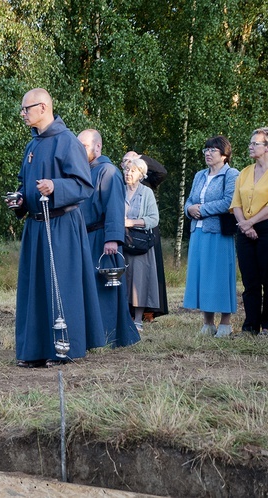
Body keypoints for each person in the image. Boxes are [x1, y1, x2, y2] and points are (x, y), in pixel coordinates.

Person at [9, 88, 105, 368]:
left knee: (61, 287)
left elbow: (83, 185)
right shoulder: (32, 145)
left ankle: (64, 349)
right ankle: (34, 351)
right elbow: (24, 183)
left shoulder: (67, 142)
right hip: (36, 227)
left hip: (61, 226)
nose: (23, 114)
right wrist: (19, 199)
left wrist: (55, 186)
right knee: (35, 288)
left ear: (43, 107)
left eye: (26, 109)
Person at [77, 129, 140, 347]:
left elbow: (114, 207)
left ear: (98, 146)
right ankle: (92, 334)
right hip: (83, 237)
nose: (80, 150)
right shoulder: (81, 171)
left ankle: (110, 335)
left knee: (104, 288)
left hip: (102, 238)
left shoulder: (108, 171)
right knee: (88, 287)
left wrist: (112, 239)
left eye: (84, 146)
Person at [230, 127, 268, 336]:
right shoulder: (245, 172)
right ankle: (250, 325)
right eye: (251, 142)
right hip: (245, 227)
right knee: (250, 280)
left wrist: (251, 223)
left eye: (255, 143)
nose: (250, 146)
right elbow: (235, 202)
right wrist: (245, 225)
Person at [183, 136, 240, 338]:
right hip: (197, 231)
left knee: (220, 276)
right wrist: (189, 209)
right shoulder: (199, 175)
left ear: (224, 155)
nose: (208, 153)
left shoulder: (231, 174)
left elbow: (228, 202)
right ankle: (208, 323)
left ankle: (225, 323)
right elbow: (189, 199)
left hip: (218, 232)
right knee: (202, 276)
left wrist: (203, 210)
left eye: (213, 150)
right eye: (206, 149)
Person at [122, 151, 169, 320]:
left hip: (140, 242)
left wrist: (131, 222)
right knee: (123, 280)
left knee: (139, 281)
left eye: (132, 170)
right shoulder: (118, 190)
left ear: (141, 174)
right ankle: (124, 317)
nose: (128, 173)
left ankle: (139, 319)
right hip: (121, 241)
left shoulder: (147, 192)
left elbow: (153, 219)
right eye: (126, 170)